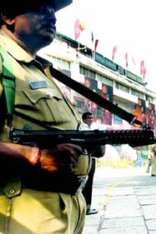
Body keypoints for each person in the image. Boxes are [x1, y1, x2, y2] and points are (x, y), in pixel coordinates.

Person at [0, 1, 95, 233]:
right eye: (41, 8)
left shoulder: (35, 67)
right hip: (25, 212)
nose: (52, 16)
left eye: (54, 10)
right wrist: (36, 157)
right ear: (8, 16)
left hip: (64, 209)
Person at [79, 112, 98, 215]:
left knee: (86, 183)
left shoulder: (85, 128)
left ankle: (85, 207)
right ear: (85, 119)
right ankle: (87, 207)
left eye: (92, 118)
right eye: (89, 118)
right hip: (88, 158)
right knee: (88, 183)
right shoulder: (85, 129)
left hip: (88, 158)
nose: (91, 119)